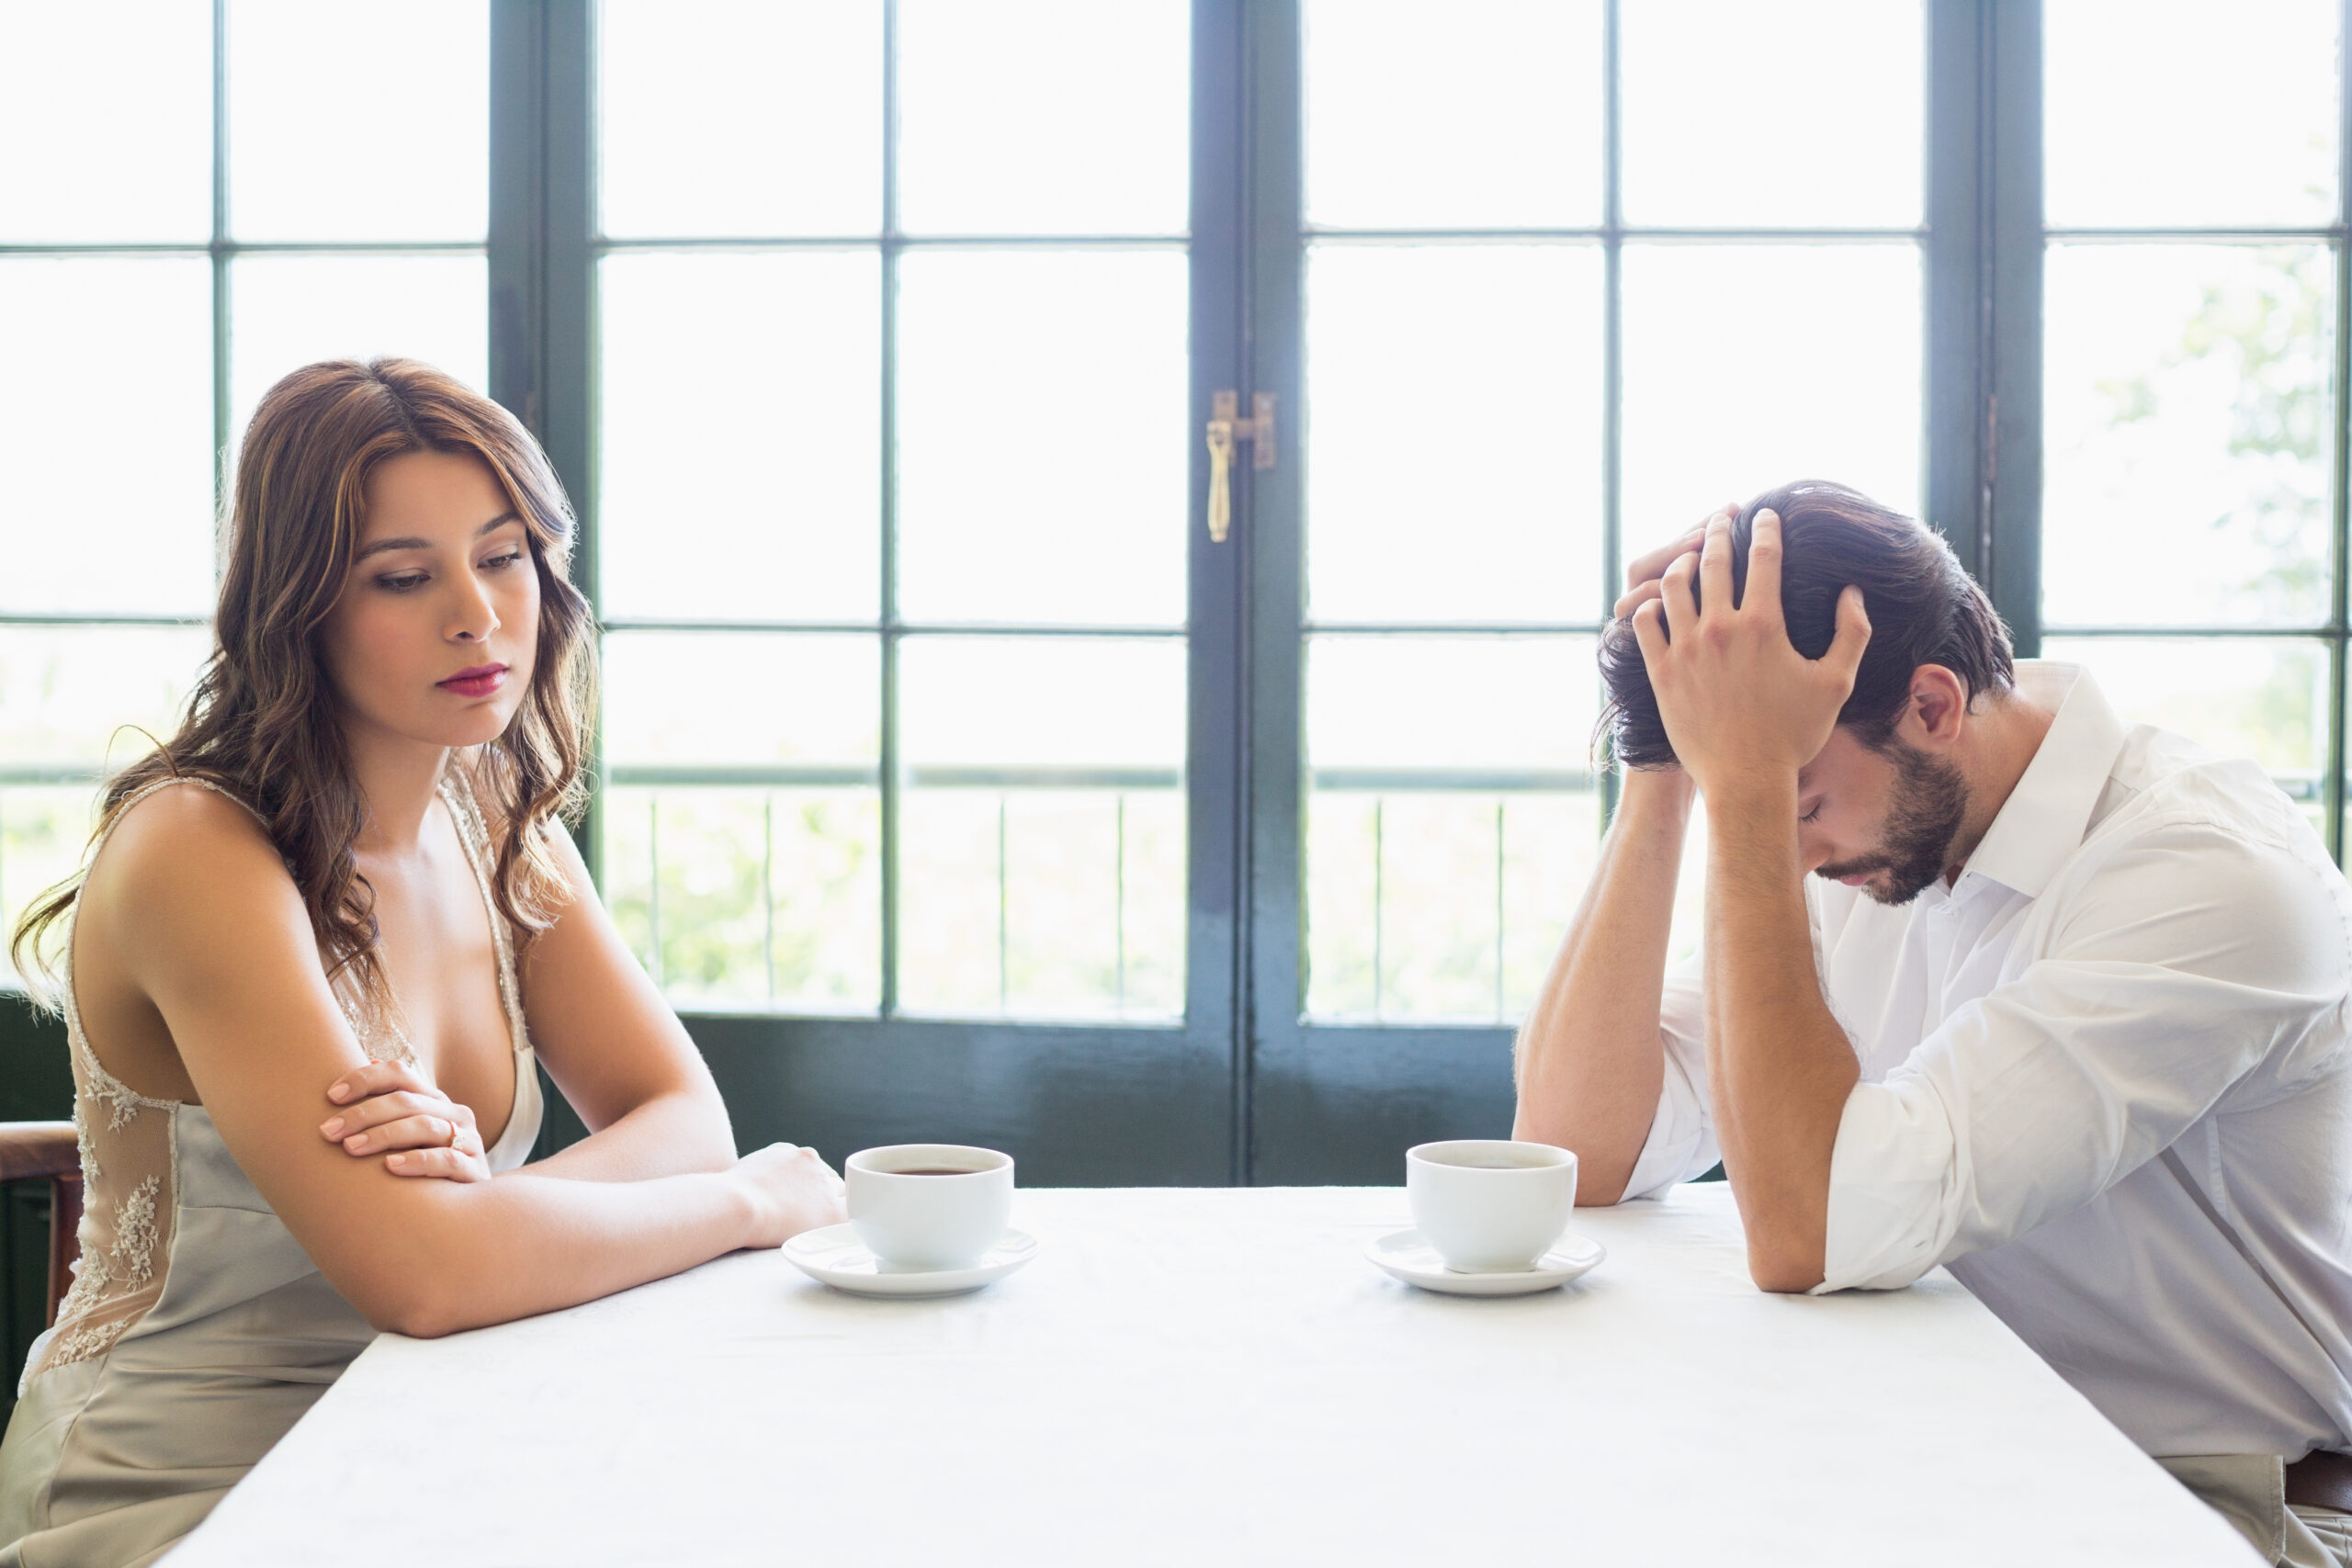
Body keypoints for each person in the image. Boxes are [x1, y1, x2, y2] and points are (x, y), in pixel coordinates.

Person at [0, 357, 846, 1566]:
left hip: (443, 1423)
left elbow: (680, 1115)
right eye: (404, 576)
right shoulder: (199, 848)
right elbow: (429, 1279)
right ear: (295, 605)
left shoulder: (493, 806)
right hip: (186, 1474)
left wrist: (477, 1215)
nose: (478, 611)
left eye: (503, 556)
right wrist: (752, 1205)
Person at [1514, 479, 2352, 1567]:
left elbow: (1809, 1232)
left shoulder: (2203, 876)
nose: (1791, 851)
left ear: (1933, 706)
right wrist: (1665, 767)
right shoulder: (1871, 835)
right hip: (1946, 1457)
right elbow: (1578, 1152)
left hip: (2216, 1502)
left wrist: (1759, 792)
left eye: (1796, 805)